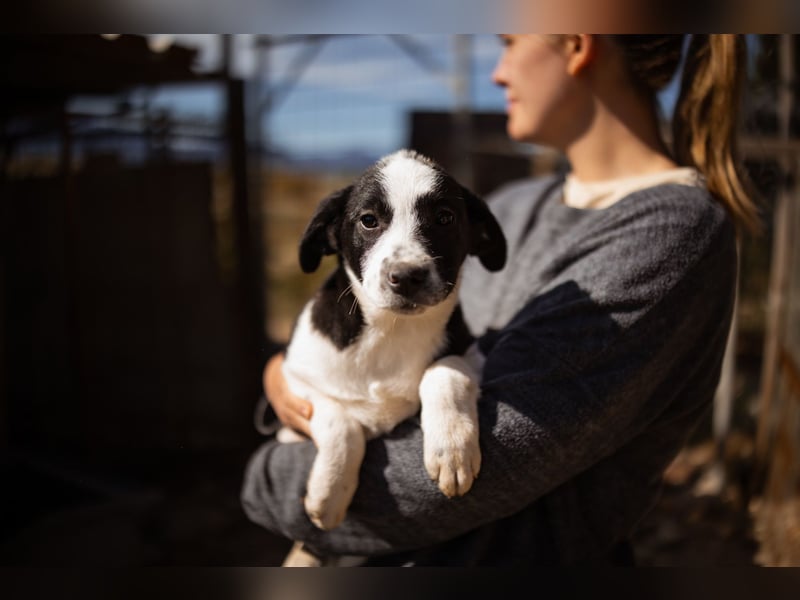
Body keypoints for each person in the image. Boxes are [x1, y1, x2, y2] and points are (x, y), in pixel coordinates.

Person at [240, 34, 760, 566]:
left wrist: (266, 480)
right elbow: (428, 350)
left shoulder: (667, 231)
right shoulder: (511, 206)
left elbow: (481, 470)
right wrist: (284, 381)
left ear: (579, 44)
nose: (498, 72)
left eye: (511, 43)